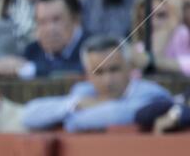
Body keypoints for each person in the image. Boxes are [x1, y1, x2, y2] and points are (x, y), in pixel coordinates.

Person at [21, 34, 171, 132]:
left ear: (129, 67)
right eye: (99, 72)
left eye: (114, 70)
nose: (108, 80)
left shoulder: (152, 93)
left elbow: (117, 115)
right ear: (87, 75)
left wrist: (76, 115)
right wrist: (74, 105)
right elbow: (29, 114)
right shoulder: (84, 92)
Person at [0, 0, 86, 79]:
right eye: (42, 22)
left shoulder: (92, 46)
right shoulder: (32, 51)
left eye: (56, 20)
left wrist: (30, 69)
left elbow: (85, 73)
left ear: (75, 19)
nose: (49, 29)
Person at [126, 0, 190, 77]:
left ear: (176, 14)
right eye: (145, 18)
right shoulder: (138, 49)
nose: (153, 23)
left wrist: (152, 62)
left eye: (161, 15)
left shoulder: (183, 34)